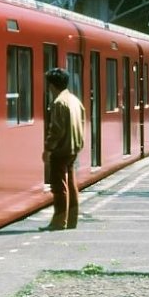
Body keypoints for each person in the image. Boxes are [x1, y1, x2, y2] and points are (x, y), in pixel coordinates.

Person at [43, 68, 85, 230]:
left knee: (59, 186)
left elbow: (56, 130)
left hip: (61, 150)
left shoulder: (59, 102)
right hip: (73, 148)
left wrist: (48, 149)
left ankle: (59, 221)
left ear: (52, 85)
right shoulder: (75, 100)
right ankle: (72, 219)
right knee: (72, 184)